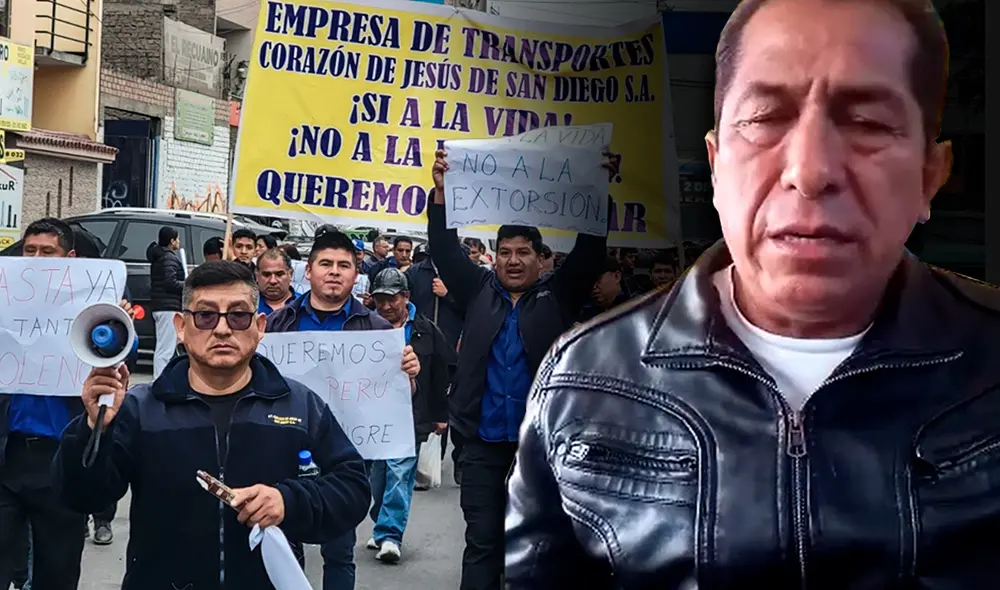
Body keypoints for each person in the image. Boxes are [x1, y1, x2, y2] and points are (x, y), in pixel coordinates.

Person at [504, 0, 971, 588]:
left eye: (868, 123)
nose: (809, 170)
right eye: (765, 118)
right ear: (716, 166)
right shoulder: (583, 381)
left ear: (931, 174)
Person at [52, 261, 372, 589]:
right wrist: (93, 429)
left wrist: (288, 501)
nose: (222, 329)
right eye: (205, 316)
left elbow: (353, 488)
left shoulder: (300, 406)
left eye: (238, 315)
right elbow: (81, 497)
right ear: (181, 326)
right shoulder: (140, 409)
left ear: (260, 325)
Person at [430, 148, 617, 590]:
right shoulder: (476, 289)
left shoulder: (560, 293)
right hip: (481, 447)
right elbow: (443, 248)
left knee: (536, 549)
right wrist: (441, 193)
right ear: (494, 257)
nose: (513, 260)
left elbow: (590, 251)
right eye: (505, 252)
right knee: (482, 544)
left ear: (540, 258)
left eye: (523, 252)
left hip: (541, 451)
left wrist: (600, 186)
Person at [266, 229, 421, 590]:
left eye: (343, 265)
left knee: (339, 551)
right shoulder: (278, 324)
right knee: (284, 547)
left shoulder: (378, 329)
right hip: (286, 449)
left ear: (356, 273)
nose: (334, 272)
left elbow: (397, 398)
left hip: (347, 455)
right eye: (326, 264)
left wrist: (409, 376)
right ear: (309, 271)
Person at [0, 218, 134, 590]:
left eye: (48, 251)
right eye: (30, 250)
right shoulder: (6, 299)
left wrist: (116, 321)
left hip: (59, 458)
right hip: (7, 454)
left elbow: (122, 358)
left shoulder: (93, 306)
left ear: (70, 258)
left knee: (56, 572)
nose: (37, 259)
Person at [365, 268, 454, 563]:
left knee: (400, 473)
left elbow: (441, 374)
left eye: (392, 299)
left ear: (406, 297)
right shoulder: (364, 326)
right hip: (374, 415)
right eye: (380, 299)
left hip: (412, 415)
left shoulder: (427, 331)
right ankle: (381, 522)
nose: (386, 306)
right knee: (378, 476)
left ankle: (391, 534)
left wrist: (441, 414)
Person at [147, 226, 185, 379]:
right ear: (172, 241)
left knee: (166, 346)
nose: (179, 241)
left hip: (161, 306)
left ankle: (164, 378)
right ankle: (159, 380)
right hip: (168, 307)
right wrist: (187, 284)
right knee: (165, 349)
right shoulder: (168, 258)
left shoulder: (160, 256)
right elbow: (170, 282)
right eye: (177, 238)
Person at [577, 255, 630, 323]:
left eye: (597, 279)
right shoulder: (581, 316)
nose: (593, 287)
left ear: (617, 276)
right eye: (588, 282)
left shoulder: (636, 308)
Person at [256, 247, 298, 315]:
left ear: (290, 274)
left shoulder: (305, 304)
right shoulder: (246, 304)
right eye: (266, 275)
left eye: (279, 274)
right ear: (257, 276)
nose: (273, 281)